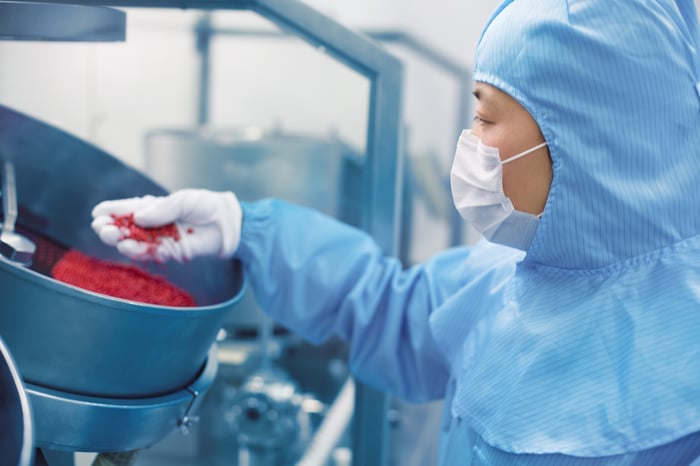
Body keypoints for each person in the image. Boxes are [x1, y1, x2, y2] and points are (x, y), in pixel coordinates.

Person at [90, 0, 700, 464]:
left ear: (596, 143)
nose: (470, 142)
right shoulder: (504, 275)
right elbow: (387, 307)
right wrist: (245, 229)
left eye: (486, 116)